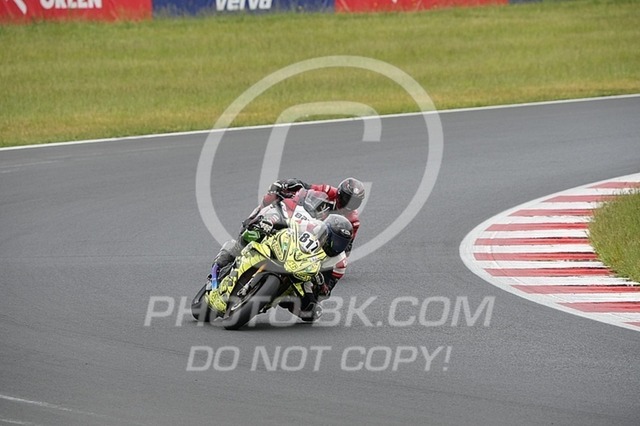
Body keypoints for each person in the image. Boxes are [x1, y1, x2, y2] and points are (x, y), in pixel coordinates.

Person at [205, 213, 353, 322]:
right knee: (253, 231)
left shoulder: (339, 262)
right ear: (326, 231)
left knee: (311, 312)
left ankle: (272, 298)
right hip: (289, 251)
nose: (336, 245)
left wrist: (321, 285)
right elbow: (287, 221)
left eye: (341, 243)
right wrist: (270, 222)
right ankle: (224, 260)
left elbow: (326, 292)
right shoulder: (313, 226)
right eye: (334, 239)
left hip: (305, 275)